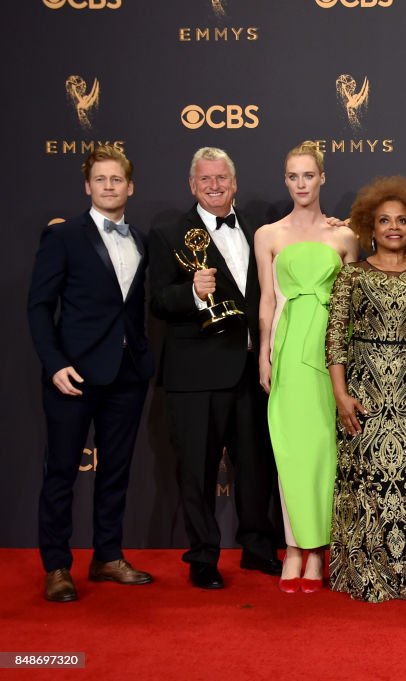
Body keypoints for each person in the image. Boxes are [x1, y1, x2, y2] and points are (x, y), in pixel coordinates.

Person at [27, 144, 155, 602]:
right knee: (61, 472)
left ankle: (107, 556)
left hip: (127, 374)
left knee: (116, 471)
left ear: (130, 186)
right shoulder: (63, 237)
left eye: (116, 179)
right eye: (100, 179)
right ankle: (57, 566)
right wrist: (55, 363)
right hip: (73, 375)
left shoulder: (140, 239)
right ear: (87, 186)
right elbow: (40, 307)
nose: (108, 186)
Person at [149, 147, 281, 589]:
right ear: (192, 186)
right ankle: (203, 556)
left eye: (221, 178)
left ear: (235, 182)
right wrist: (190, 292)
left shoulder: (259, 233)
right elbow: (156, 302)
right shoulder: (169, 232)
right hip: (194, 375)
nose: (214, 186)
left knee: (255, 467)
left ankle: (258, 549)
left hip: (250, 371)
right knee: (197, 470)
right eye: (205, 179)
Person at [326, 176, 406, 603]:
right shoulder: (353, 275)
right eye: (384, 220)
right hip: (364, 389)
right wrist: (341, 395)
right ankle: (364, 574)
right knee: (364, 483)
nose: (393, 227)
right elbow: (336, 339)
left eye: (401, 220)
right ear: (369, 227)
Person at [254, 142, 358, 593]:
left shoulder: (345, 236)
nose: (301, 184)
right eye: (293, 177)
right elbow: (267, 299)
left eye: (308, 176)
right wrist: (264, 350)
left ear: (322, 179)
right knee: (291, 452)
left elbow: (355, 303)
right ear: (286, 181)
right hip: (288, 343)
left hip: (331, 351)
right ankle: (294, 547)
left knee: (324, 453)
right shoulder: (268, 234)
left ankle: (318, 550)